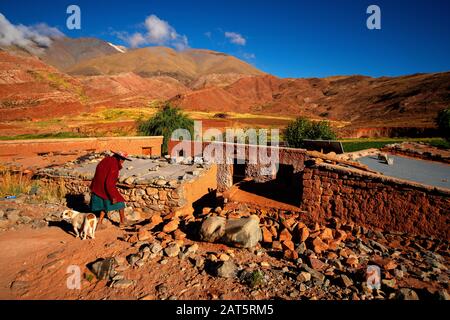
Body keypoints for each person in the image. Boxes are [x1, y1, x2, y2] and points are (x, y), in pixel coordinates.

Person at [89, 151, 131, 228]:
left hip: (97, 186)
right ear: (119, 158)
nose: (123, 161)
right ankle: (122, 222)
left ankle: (99, 223)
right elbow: (109, 183)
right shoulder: (114, 165)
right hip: (105, 187)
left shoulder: (106, 159)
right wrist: (113, 196)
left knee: (104, 204)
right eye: (122, 159)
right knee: (120, 203)